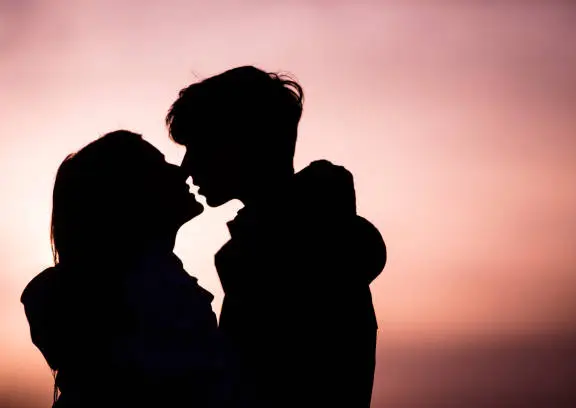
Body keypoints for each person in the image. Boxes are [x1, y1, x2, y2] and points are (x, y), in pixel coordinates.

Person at [166, 66, 387, 408]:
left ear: (241, 143)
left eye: (199, 145)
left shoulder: (291, 256)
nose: (186, 166)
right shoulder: (302, 241)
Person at [21, 131, 234, 408]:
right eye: (159, 165)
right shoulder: (141, 297)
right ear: (129, 192)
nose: (180, 170)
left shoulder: (150, 285)